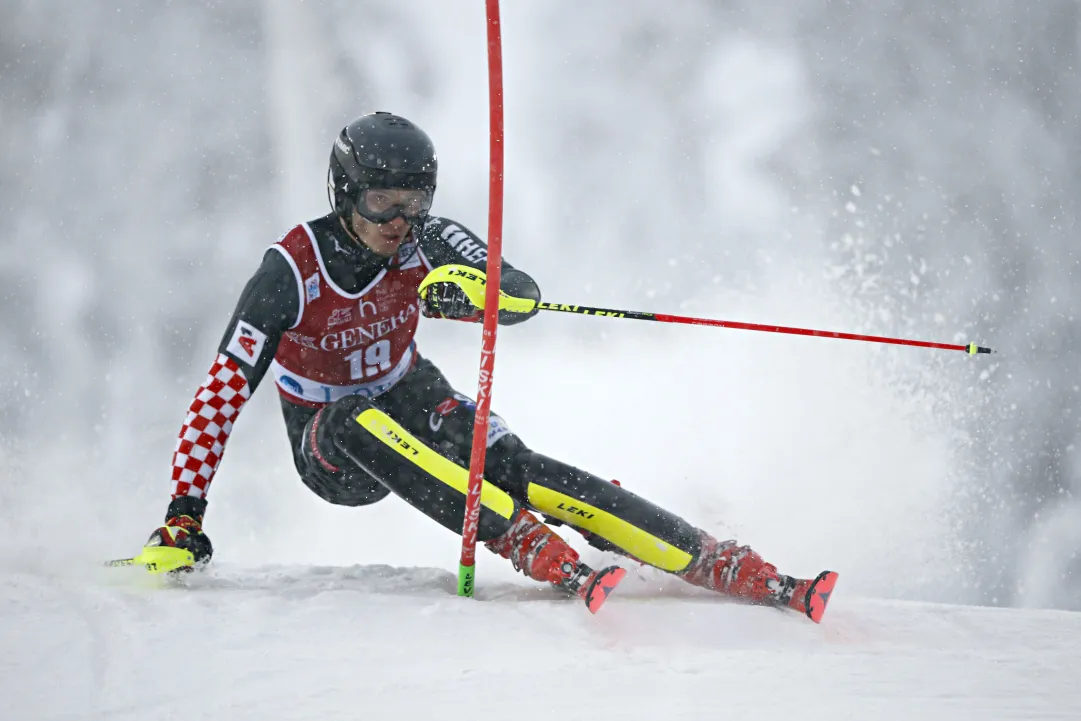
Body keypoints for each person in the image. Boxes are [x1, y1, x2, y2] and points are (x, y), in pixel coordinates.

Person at [141, 111, 838, 620]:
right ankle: (517, 538)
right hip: (330, 442)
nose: (399, 221)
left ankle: (721, 561)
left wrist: (485, 292)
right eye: (382, 201)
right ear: (345, 193)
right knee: (356, 417)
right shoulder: (292, 267)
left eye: (414, 202)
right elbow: (223, 389)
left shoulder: (426, 240)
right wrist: (184, 512)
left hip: (413, 393)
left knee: (521, 467)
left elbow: (519, 293)